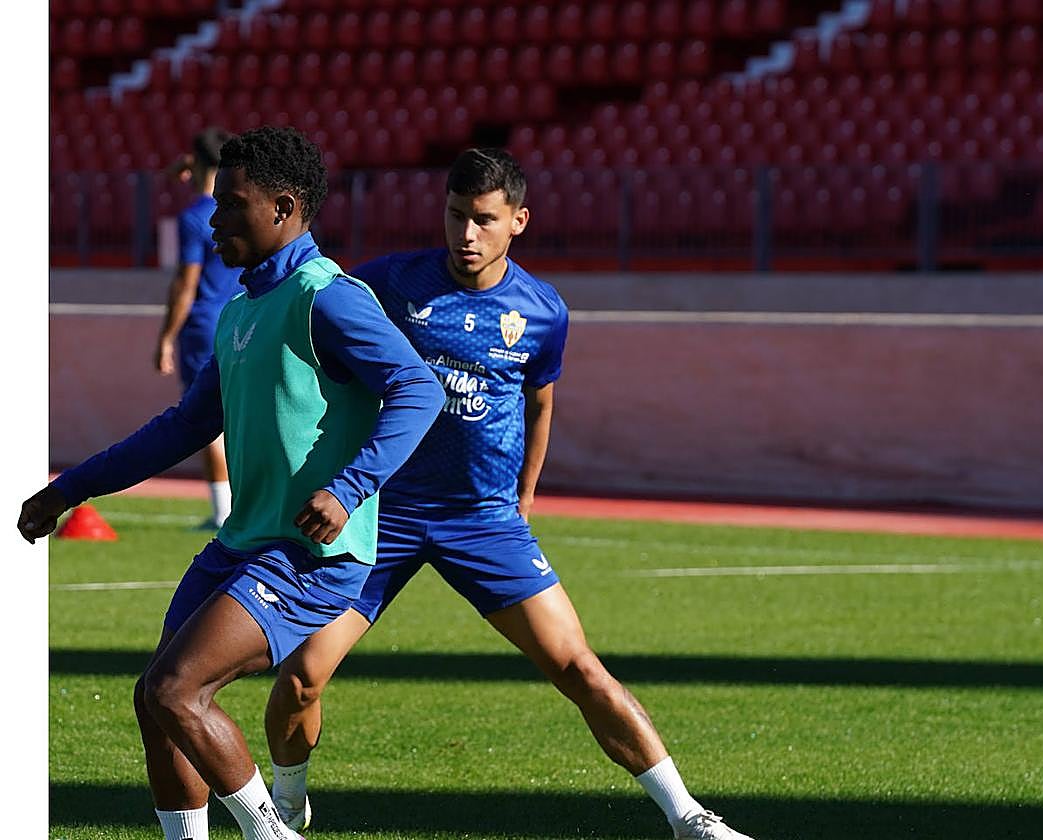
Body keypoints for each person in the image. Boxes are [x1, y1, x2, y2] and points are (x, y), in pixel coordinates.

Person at [263, 148, 756, 840]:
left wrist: (525, 496)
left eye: (485, 220)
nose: (467, 233)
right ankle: (287, 806)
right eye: (457, 215)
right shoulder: (385, 285)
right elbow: (325, 359)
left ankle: (690, 817)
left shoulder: (542, 311)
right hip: (384, 514)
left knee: (579, 668)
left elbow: (541, 404)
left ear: (517, 221)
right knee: (302, 673)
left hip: (483, 520)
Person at [20, 126, 445, 840]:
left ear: (283, 208)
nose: (213, 220)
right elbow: (184, 426)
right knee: (157, 700)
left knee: (177, 689)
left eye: (231, 205)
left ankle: (271, 832)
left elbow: (418, 390)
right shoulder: (242, 309)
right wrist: (74, 486)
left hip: (312, 558)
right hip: (244, 544)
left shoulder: (327, 296)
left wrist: (348, 489)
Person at [155, 126, 241, 527]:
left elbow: (186, 282)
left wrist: (166, 337)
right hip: (240, 320)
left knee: (207, 420)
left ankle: (223, 513)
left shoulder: (193, 218)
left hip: (204, 324)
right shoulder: (237, 209)